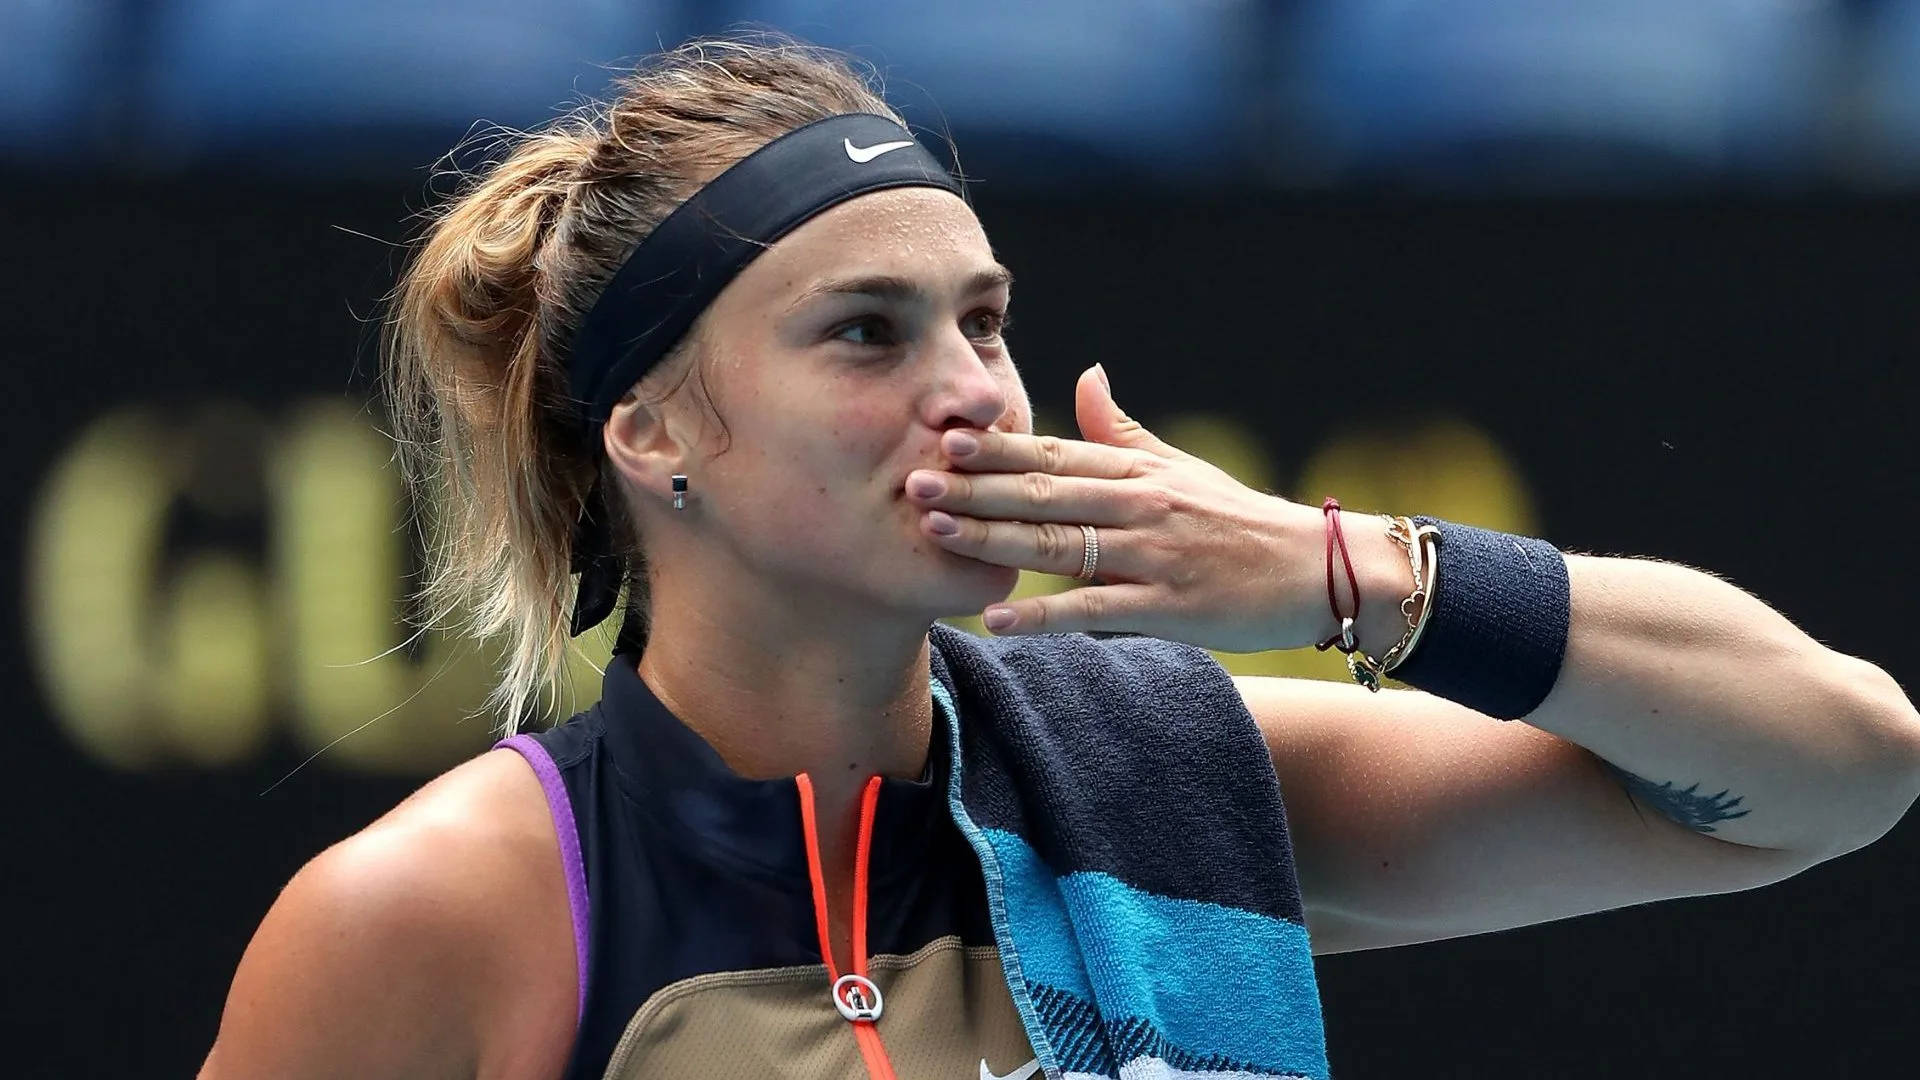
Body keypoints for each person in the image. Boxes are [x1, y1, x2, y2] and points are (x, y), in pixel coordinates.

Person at [198, 34, 1920, 1080]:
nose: (970, 392)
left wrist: (1351, 573)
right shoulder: (433, 912)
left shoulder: (1167, 774)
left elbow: (1832, 769)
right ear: (648, 432)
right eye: (866, 335)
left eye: (985, 321)